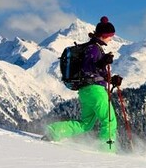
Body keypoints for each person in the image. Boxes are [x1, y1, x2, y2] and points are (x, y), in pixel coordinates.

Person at [46, 16, 123, 152]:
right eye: (111, 36)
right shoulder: (94, 49)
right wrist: (102, 63)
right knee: (109, 121)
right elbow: (88, 68)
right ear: (105, 35)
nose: (112, 38)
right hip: (95, 91)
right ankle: (107, 151)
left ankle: (54, 132)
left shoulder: (93, 48)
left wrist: (112, 79)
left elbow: (97, 71)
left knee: (86, 124)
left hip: (86, 91)